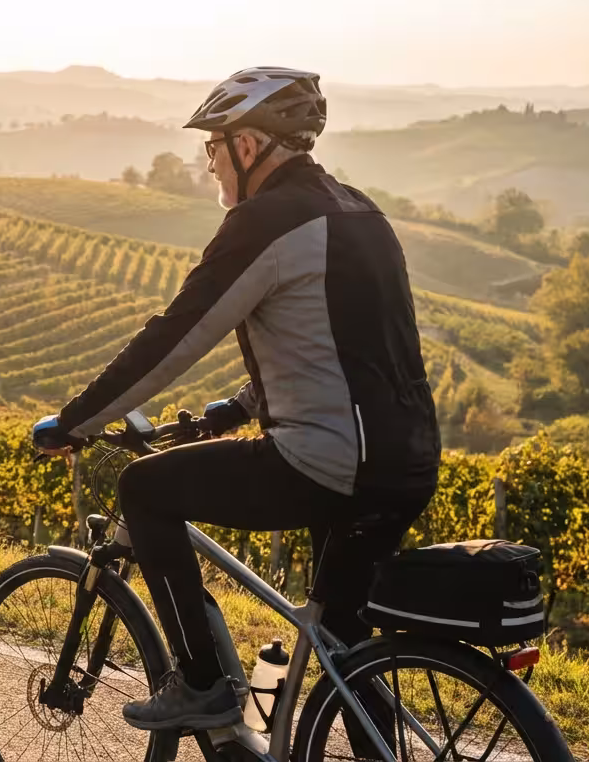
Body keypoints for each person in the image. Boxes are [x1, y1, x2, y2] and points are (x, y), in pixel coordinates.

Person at [32, 67, 441, 731]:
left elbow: (174, 338)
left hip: (329, 461)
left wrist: (79, 421)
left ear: (248, 147)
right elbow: (344, 348)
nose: (210, 166)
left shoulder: (265, 220)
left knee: (145, 489)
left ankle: (200, 685)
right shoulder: (360, 210)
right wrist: (236, 408)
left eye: (213, 149)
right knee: (345, 647)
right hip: (408, 460)